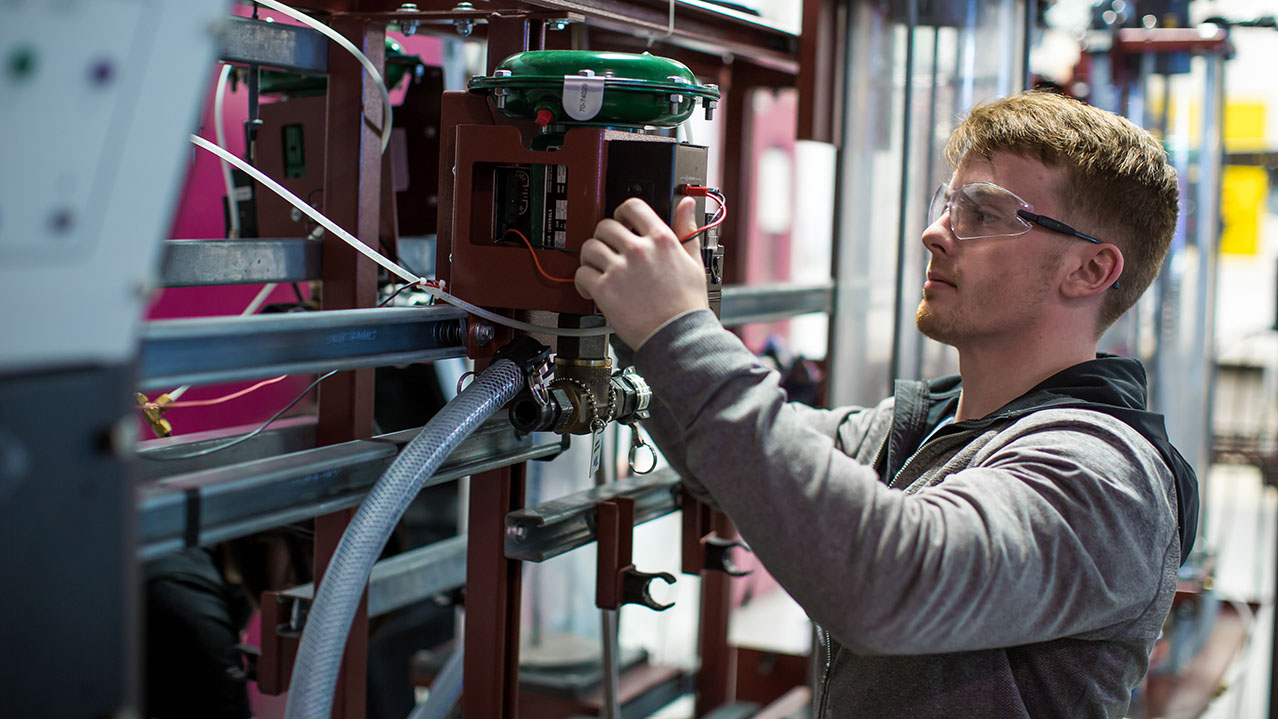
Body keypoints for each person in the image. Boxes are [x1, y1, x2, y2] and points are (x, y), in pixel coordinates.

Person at [573, 90, 1199, 718]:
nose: (935, 233)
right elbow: (728, 456)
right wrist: (639, 321)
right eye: (948, 205)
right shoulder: (928, 428)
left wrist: (679, 330)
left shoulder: (1105, 479)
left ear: (1090, 270)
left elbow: (889, 582)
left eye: (983, 214)